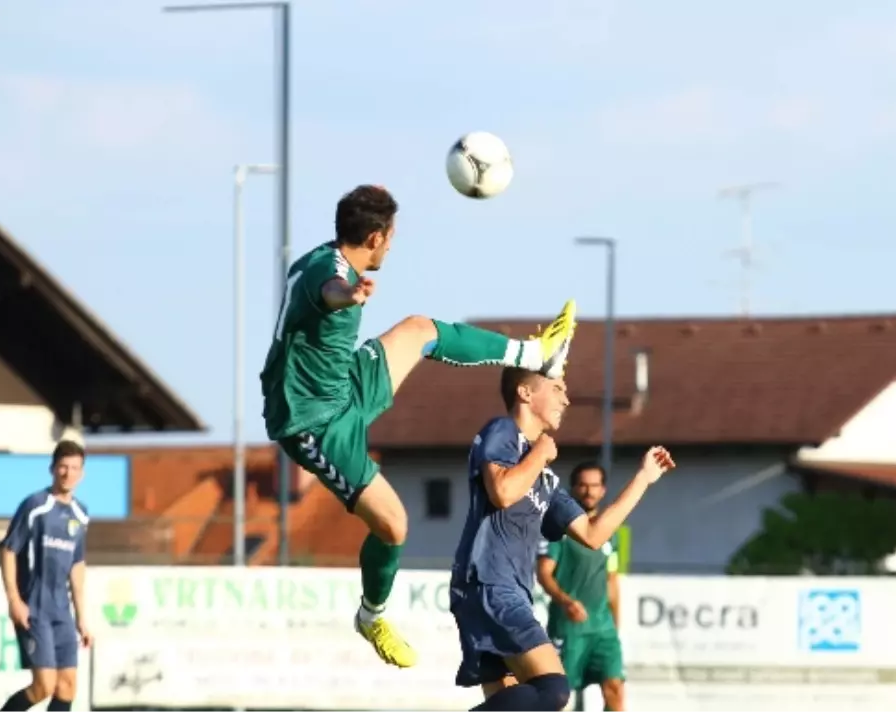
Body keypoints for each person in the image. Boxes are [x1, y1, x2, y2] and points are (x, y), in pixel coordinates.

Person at [261, 185, 577, 669]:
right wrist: (349, 296)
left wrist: (350, 292)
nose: (392, 245)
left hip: (342, 383)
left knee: (419, 329)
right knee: (394, 525)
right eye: (390, 237)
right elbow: (328, 294)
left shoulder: (322, 257)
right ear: (374, 236)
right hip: (314, 421)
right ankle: (372, 614)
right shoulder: (331, 275)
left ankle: (532, 354)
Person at [450, 367, 675, 712]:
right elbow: (503, 492)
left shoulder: (546, 480)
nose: (566, 399)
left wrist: (644, 478)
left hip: (509, 592)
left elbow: (593, 534)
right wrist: (540, 452)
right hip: (489, 585)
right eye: (557, 389)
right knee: (554, 690)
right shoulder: (503, 431)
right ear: (525, 393)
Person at [0, 440, 93, 712]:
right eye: (63, 466)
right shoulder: (35, 506)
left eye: (75, 468)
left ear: (82, 473)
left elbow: (77, 565)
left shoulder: (81, 514)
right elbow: (7, 550)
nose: (68, 473)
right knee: (44, 685)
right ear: (52, 469)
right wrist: (15, 600)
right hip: (35, 608)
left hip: (62, 613)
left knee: (68, 686)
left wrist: (82, 617)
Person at [537, 462, 626, 712]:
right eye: (583, 485)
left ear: (603, 490)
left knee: (616, 690)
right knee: (558, 698)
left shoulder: (612, 533)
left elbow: (612, 580)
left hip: (603, 630)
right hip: (568, 629)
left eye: (594, 486)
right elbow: (544, 574)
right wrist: (565, 601)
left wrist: (615, 626)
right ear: (573, 488)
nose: (589, 491)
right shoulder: (558, 528)